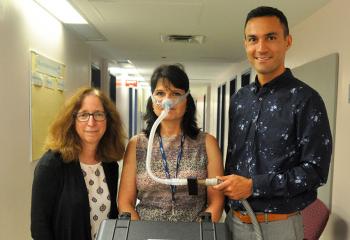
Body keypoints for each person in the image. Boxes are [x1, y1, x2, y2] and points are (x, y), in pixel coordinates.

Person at [213, 6, 332, 240]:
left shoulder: (306, 99)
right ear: (245, 44)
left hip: (279, 227)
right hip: (234, 222)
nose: (261, 48)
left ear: (287, 41)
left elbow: (315, 172)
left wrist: (253, 186)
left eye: (271, 37)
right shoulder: (239, 99)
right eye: (253, 39)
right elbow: (234, 159)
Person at [118, 64, 224, 222]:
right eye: (160, 93)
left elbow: (216, 202)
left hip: (195, 232)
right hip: (146, 233)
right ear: (152, 100)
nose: (167, 100)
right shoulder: (137, 144)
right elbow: (125, 203)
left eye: (176, 93)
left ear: (186, 100)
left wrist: (198, 233)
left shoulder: (207, 143)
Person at [31, 87, 126, 240]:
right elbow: (39, 228)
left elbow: (111, 218)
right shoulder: (51, 166)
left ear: (108, 119)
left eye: (98, 114)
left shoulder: (110, 165)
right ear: (72, 120)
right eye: (83, 115)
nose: (91, 122)